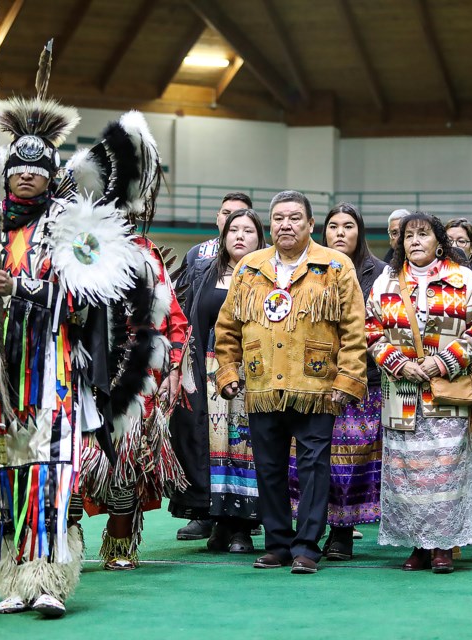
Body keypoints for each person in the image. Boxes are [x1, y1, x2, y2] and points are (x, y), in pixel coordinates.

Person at [0, 55, 163, 614]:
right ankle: (13, 583)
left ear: (53, 174)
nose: (25, 175)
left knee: (51, 475)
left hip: (52, 374)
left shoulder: (70, 229)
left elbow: (90, 300)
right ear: (4, 174)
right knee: (3, 476)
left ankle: (51, 580)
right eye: (15, 168)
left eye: (37, 169)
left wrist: (28, 293)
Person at [215, 190, 368, 574]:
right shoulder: (250, 267)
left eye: (295, 217)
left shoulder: (335, 266)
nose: (286, 224)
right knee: (267, 467)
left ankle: (307, 546)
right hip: (263, 384)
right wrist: (229, 371)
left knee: (314, 466)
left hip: (318, 387)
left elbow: (354, 328)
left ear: (311, 224)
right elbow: (227, 326)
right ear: (270, 224)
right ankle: (278, 544)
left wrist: (347, 379)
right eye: (279, 218)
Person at [67, 113, 189, 573]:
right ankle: (66, 544)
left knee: (125, 463)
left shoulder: (144, 252)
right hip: (78, 367)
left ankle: (120, 548)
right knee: (75, 464)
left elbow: (170, 317)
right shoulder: (73, 247)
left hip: (136, 373)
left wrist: (174, 366)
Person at [366, 212, 472, 574]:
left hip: (446, 394)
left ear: (440, 240)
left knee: (446, 471)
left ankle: (442, 547)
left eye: (423, 234)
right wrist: (398, 364)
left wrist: (444, 362)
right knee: (407, 472)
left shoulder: (461, 277)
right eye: (409, 236)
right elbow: (371, 329)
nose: (415, 241)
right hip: (401, 393)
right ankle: (418, 546)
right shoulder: (386, 281)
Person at [287, 202, 386, 560]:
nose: (340, 232)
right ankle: (308, 530)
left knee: (350, 462)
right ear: (321, 230)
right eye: (333, 226)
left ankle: (342, 534)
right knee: (313, 460)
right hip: (312, 382)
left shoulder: (380, 274)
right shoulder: (307, 268)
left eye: (348, 226)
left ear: (360, 232)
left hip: (362, 383)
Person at [168, 209, 266, 552]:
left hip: (253, 374)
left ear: (260, 238)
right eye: (233, 229)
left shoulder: (268, 275)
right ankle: (220, 525)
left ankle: (244, 526)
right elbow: (191, 322)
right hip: (208, 375)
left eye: (248, 230)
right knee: (214, 449)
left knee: (246, 449)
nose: (239, 235)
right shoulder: (206, 273)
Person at [180, 192, 254, 273]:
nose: (230, 219)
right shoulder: (195, 254)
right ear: (217, 218)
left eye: (238, 214)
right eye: (226, 213)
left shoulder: (266, 253)